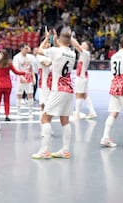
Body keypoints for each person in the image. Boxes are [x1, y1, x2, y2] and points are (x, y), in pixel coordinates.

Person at [31, 30, 76, 159]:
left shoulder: (56, 51)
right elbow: (60, 50)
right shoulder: (72, 54)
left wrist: (48, 39)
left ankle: (45, 151)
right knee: (65, 120)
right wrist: (55, 40)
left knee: (45, 118)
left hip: (58, 89)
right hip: (69, 89)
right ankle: (65, 150)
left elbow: (38, 51)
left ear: (60, 40)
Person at [0, 49, 26, 121]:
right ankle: (7, 115)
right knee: (7, 101)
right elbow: (16, 72)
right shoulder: (9, 64)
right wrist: (24, 73)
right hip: (7, 85)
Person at [71, 38, 97, 119]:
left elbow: (76, 45)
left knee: (78, 95)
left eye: (84, 44)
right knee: (85, 95)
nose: (82, 45)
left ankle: (77, 114)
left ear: (87, 47)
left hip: (81, 77)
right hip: (83, 76)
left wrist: (70, 37)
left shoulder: (85, 53)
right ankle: (92, 112)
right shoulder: (84, 54)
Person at [13, 43, 36, 118]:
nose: (27, 50)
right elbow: (16, 68)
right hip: (20, 78)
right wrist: (20, 76)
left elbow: (32, 68)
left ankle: (30, 112)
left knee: (30, 94)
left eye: (28, 48)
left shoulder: (31, 57)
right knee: (19, 95)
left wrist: (33, 77)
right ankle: (18, 112)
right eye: (26, 48)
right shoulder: (17, 57)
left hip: (28, 77)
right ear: (21, 49)